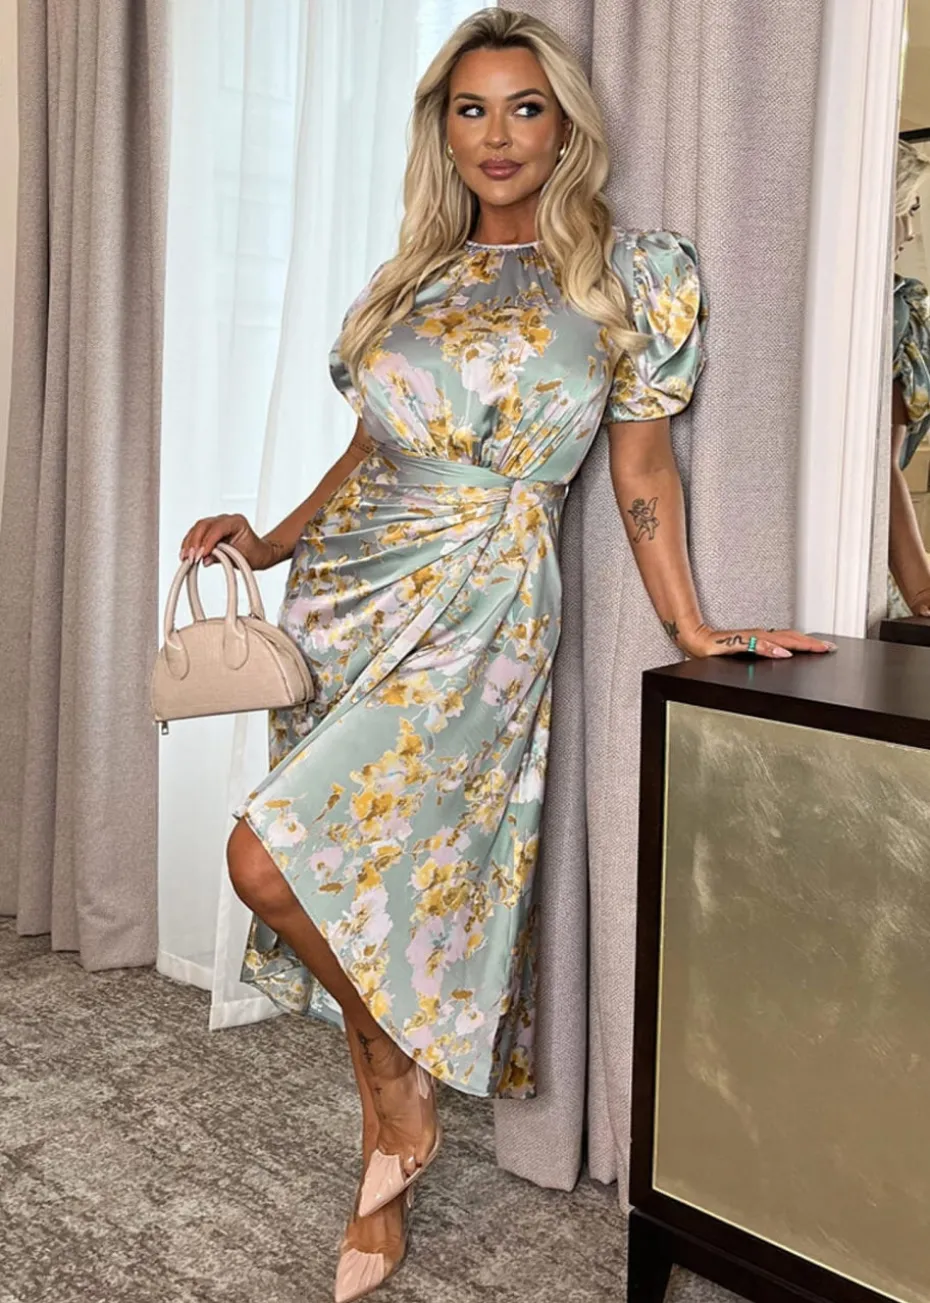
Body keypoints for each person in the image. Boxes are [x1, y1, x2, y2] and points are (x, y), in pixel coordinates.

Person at [180, 9, 832, 1300]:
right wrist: (271, 539)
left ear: (563, 125)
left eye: (524, 107)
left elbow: (642, 470)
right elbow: (369, 448)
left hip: (487, 606)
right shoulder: (409, 279)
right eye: (470, 109)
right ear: (442, 131)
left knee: (268, 858)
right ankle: (388, 1123)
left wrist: (692, 625)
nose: (497, 135)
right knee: (326, 875)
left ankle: (395, 1095)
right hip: (351, 590)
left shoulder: (626, 275)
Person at [889, 139, 930, 617]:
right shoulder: (893, 306)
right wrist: (921, 591)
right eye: (910, 209)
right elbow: (883, 464)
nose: (912, 230)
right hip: (871, 549)